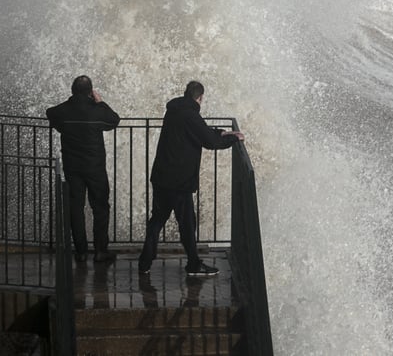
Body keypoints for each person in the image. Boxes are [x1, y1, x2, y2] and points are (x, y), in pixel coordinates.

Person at [138, 80, 244, 276]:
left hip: (161, 175)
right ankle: (193, 264)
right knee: (187, 223)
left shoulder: (174, 109)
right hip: (179, 181)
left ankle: (144, 262)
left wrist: (222, 132)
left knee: (158, 219)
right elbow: (209, 141)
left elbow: (197, 132)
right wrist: (233, 138)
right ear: (200, 97)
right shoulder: (191, 114)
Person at [46, 75, 121, 264]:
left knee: (76, 208)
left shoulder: (63, 111)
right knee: (101, 208)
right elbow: (114, 120)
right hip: (95, 167)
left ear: (72, 91)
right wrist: (100, 102)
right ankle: (100, 251)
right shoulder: (96, 111)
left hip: (73, 167)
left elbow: (50, 113)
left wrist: (69, 107)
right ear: (90, 92)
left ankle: (80, 251)